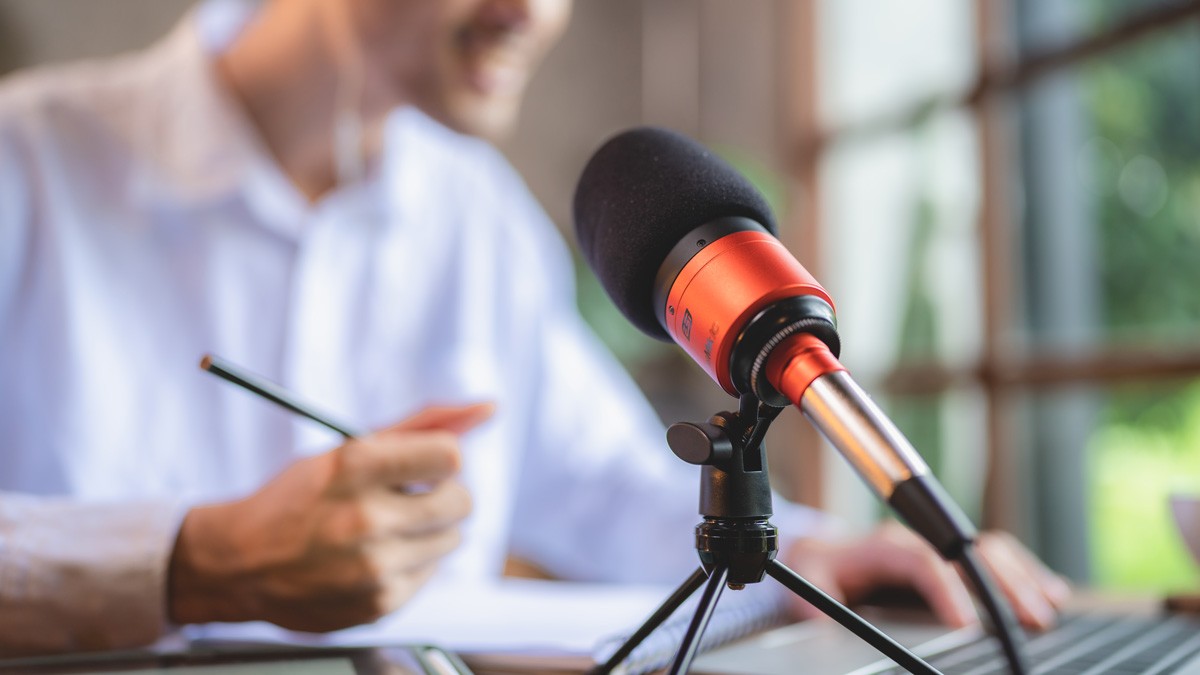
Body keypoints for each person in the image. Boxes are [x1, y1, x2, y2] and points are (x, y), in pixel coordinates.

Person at [0, 0, 1069, 657]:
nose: (538, 10)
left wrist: (825, 550)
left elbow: (606, 485)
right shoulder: (24, 165)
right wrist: (196, 560)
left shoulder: (478, 216)